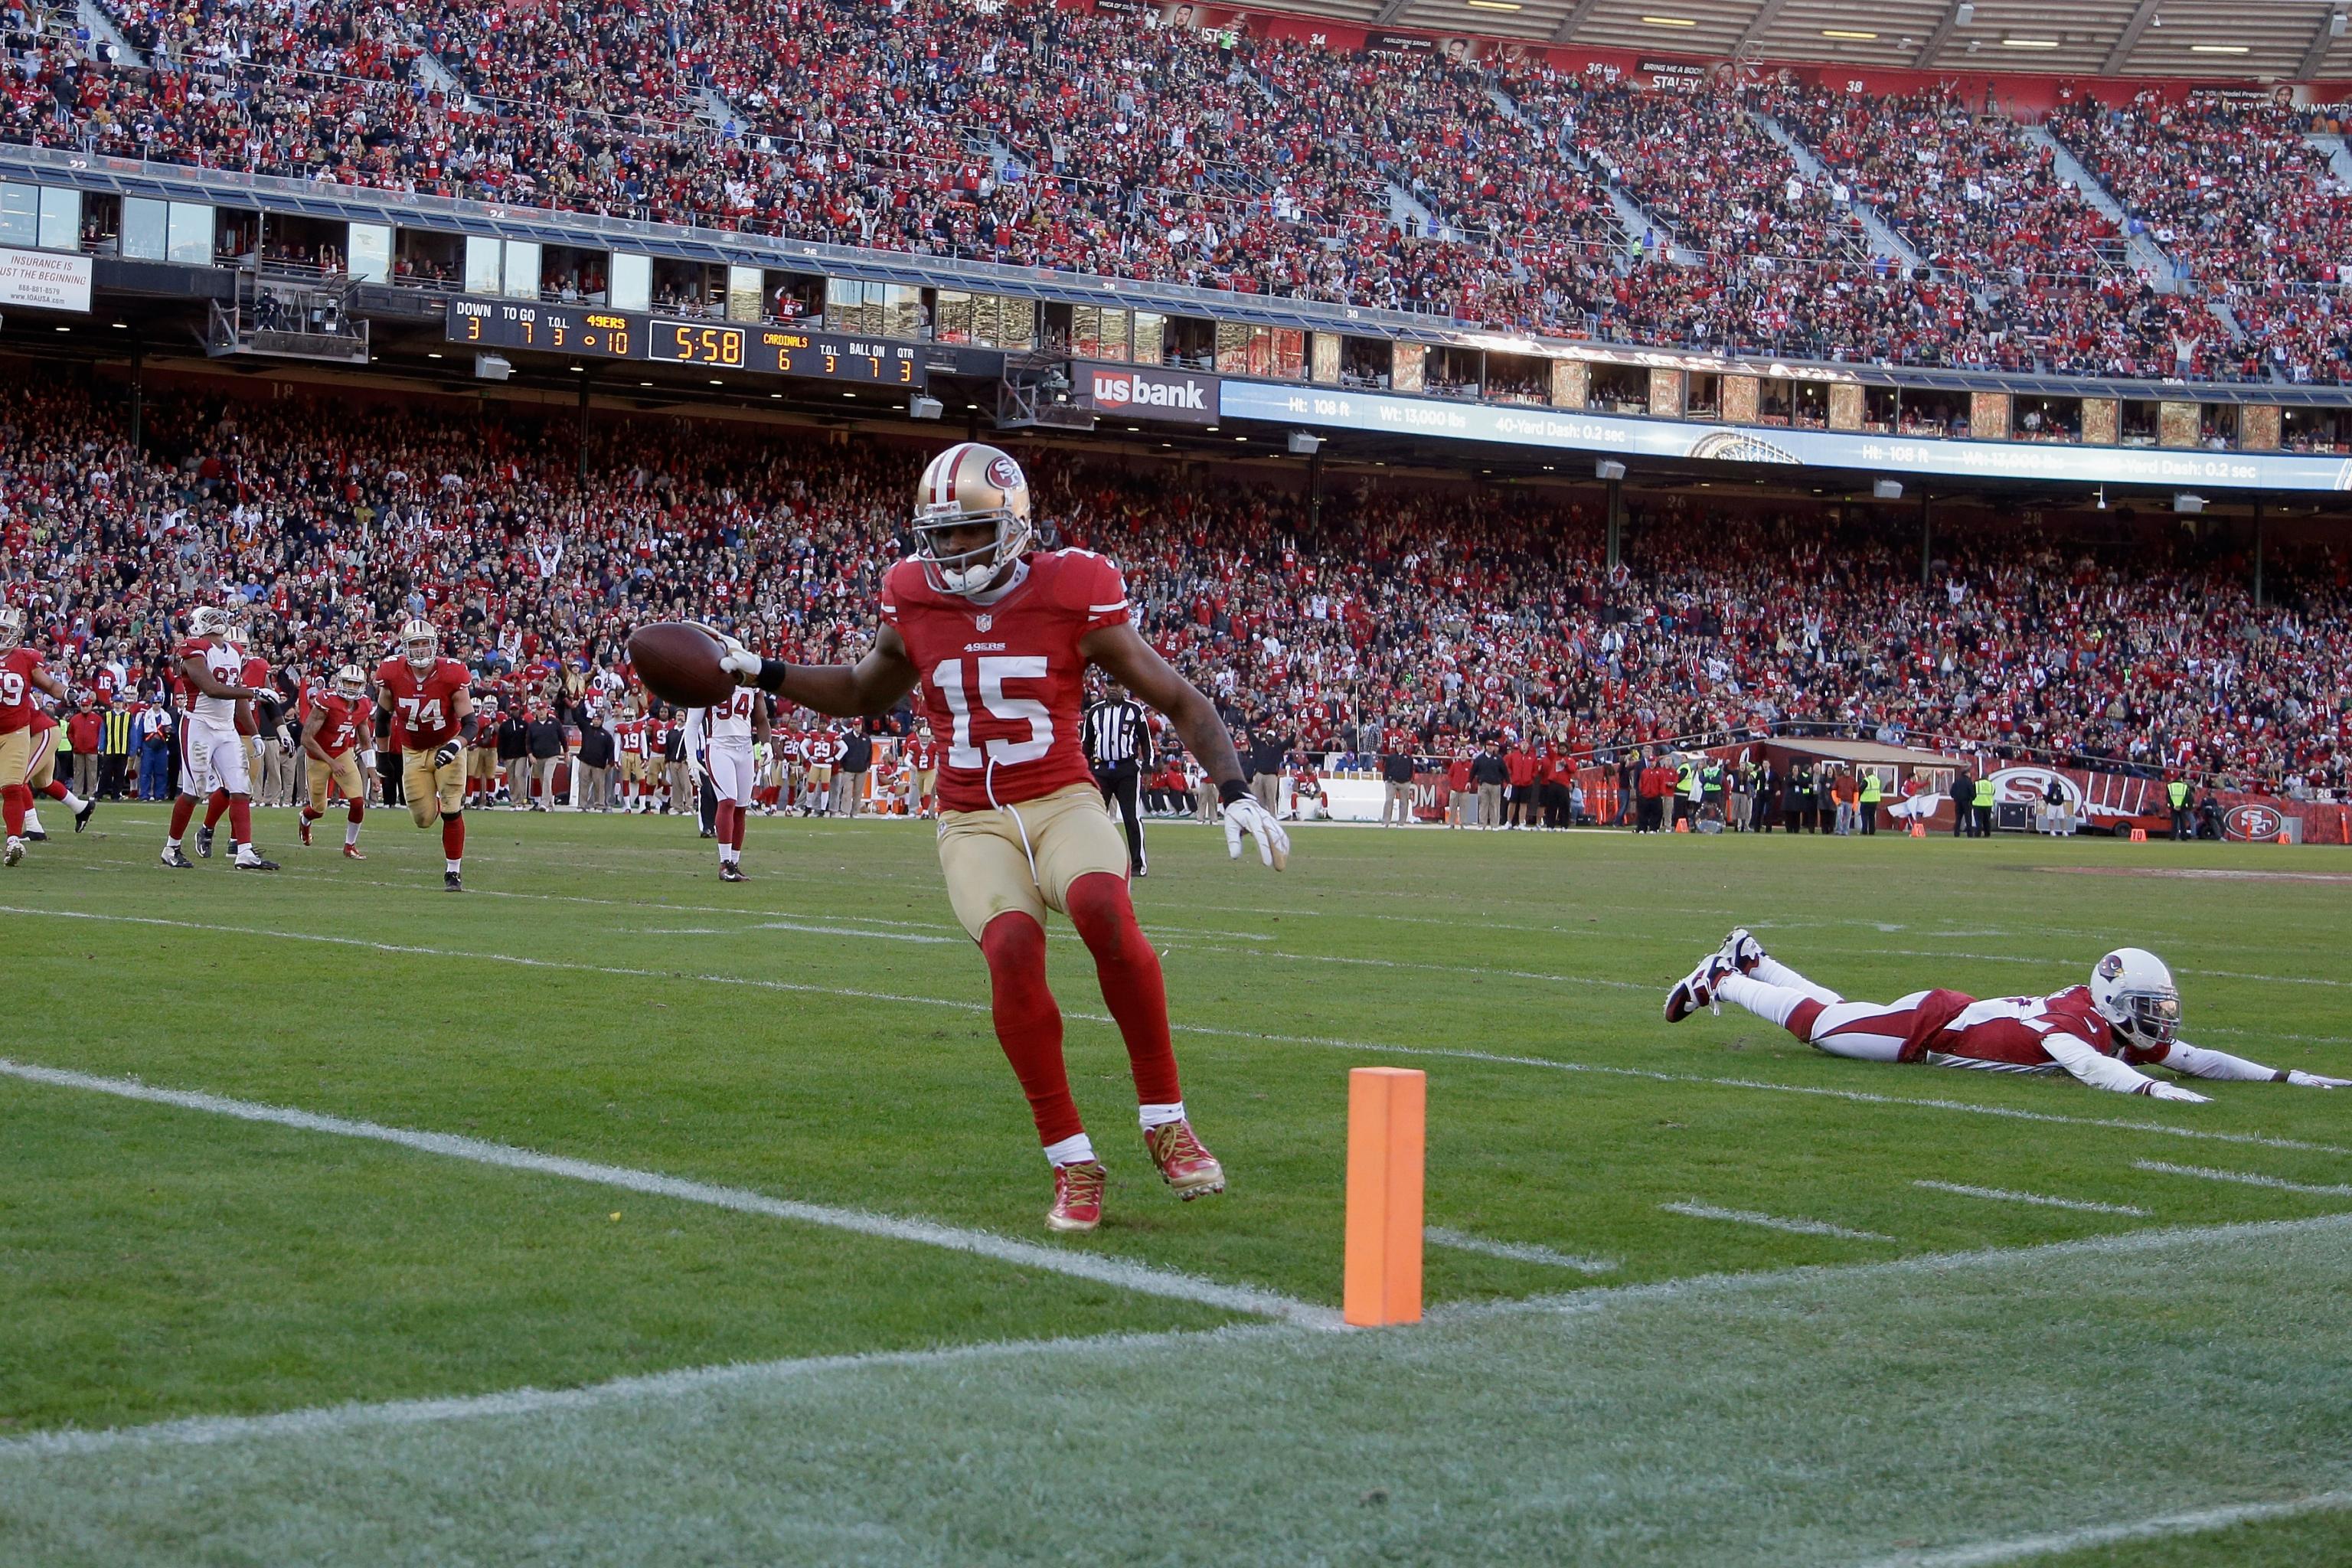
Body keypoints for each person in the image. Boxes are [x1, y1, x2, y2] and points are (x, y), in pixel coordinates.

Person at [711, 443, 1289, 1233]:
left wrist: (1232, 789)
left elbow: (1178, 695)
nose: (949, 549)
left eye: (966, 530)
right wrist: (763, 671)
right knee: (1013, 946)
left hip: (1060, 798)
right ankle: (1071, 1158)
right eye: (939, 533)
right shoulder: (911, 593)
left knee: (1101, 907)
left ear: (1014, 523)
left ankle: (1166, 1119)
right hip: (971, 815)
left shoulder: (1074, 585)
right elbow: (858, 688)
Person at [1667, 931, 2350, 1099]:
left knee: (1841, 1016)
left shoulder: (2105, 1023)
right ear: (2116, 1002)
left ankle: (1752, 959)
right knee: (1824, 1029)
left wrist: (2287, 1079)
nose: (2160, 1025)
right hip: (1934, 1029)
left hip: (1949, 1015)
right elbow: (2090, 1069)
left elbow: (2201, 1058)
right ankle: (1724, 980)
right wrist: (2161, 1094)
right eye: (2149, 1010)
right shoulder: (2084, 1031)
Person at [159, 606, 276, 871]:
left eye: (217, 617)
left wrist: (254, 732)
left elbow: (236, 695)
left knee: (240, 787)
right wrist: (254, 692)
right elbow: (211, 689)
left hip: (225, 729)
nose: (215, 622)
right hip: (198, 725)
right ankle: (171, 848)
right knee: (194, 792)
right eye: (208, 618)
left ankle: (244, 852)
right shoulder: (193, 648)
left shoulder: (234, 651)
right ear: (198, 625)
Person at [375, 617, 475, 892]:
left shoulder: (452, 674)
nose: (420, 650)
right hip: (413, 751)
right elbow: (382, 719)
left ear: (434, 645)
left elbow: (471, 724)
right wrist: (382, 756)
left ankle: (452, 872)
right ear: (405, 647)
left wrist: (455, 746)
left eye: (424, 644)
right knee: (423, 819)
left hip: (448, 745)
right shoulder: (392, 672)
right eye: (414, 645)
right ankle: (441, 803)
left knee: (452, 808)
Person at [2, 606, 74, 866]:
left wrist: (67, 693)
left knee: (12, 787)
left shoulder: (26, 658)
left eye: (4, 631)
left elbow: (50, 685)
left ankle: (13, 841)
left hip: (15, 731)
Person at [297, 664, 370, 858]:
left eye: (356, 684)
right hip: (318, 757)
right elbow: (306, 739)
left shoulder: (364, 705)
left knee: (357, 801)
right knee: (319, 810)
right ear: (340, 682)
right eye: (348, 683)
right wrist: (331, 762)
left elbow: (365, 739)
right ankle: (305, 820)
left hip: (342, 753)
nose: (352, 688)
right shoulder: (327, 701)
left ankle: (350, 846)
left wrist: (373, 771)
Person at [697, 684, 769, 880]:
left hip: (745, 747)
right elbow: (694, 720)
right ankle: (725, 862)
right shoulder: (712, 677)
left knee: (740, 807)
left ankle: (734, 863)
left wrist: (768, 744)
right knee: (727, 801)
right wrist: (691, 758)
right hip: (719, 745)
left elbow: (762, 719)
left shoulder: (752, 681)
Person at [1083, 679, 1151, 877]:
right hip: (1100, 769)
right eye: (1110, 685)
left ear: (1124, 688)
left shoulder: (1135, 710)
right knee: (1094, 818)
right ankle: (1092, 861)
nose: (1113, 689)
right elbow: (1086, 743)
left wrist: (1147, 766)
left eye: (1118, 685)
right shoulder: (1095, 712)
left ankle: (1139, 864)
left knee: (1131, 818)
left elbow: (1146, 740)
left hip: (1127, 769)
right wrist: (1084, 770)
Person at [2167, 776, 2192, 841]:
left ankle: (2173, 837)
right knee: (2183, 823)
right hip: (2182, 807)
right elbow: (2187, 798)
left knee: (2174, 823)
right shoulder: (2185, 786)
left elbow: (2168, 797)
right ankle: (2184, 837)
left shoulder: (2170, 786)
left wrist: (2173, 805)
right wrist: (2181, 806)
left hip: (2173, 807)